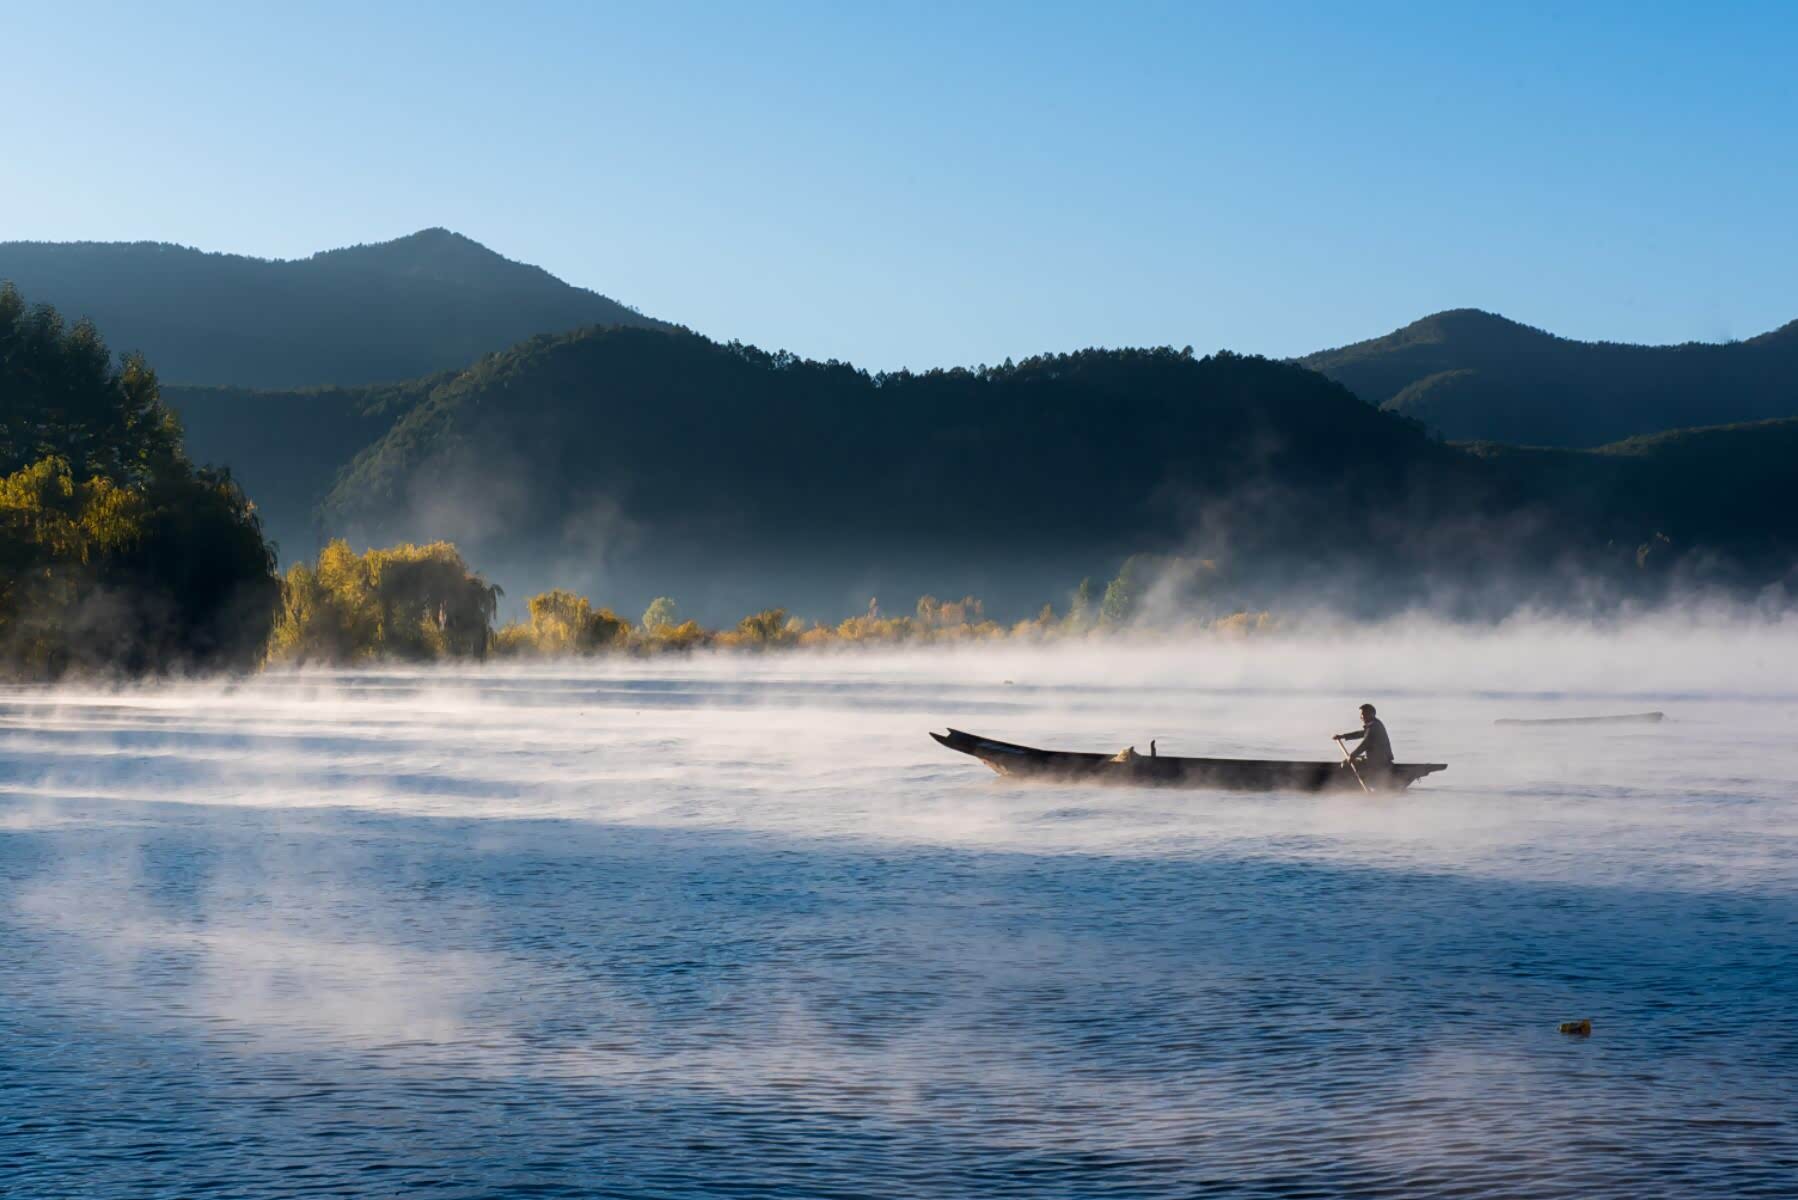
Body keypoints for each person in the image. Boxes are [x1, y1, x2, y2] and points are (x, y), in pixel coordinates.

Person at [1335, 703, 1393, 776]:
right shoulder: (1374, 724)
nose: (1362, 717)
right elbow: (1361, 733)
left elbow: (1365, 744)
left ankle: (1361, 779)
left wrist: (1352, 756)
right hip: (1379, 760)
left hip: (1379, 762)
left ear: (1372, 714)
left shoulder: (1374, 727)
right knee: (1355, 761)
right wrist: (1343, 736)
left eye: (1364, 714)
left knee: (1345, 764)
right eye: (1361, 715)